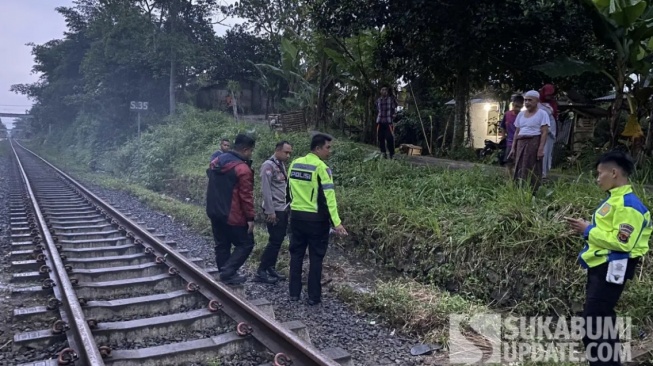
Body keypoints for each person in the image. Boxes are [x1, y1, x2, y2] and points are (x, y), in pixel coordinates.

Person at [565, 151, 650, 366]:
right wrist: (588, 228)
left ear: (614, 173)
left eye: (600, 173)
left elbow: (623, 242)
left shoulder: (628, 205)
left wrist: (587, 230)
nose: (597, 178)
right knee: (600, 320)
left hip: (612, 267)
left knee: (594, 323)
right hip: (602, 266)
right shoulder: (614, 199)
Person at [287, 133, 347, 305]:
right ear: (318, 148)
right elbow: (329, 198)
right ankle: (313, 296)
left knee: (296, 255)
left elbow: (288, 190)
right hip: (316, 220)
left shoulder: (294, 164)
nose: (330, 151)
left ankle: (294, 293)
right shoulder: (322, 168)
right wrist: (337, 223)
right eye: (328, 147)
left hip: (296, 217)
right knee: (316, 258)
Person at [205, 134, 256, 285]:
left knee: (222, 244)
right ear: (246, 149)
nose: (251, 154)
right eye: (251, 151)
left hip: (214, 210)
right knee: (246, 243)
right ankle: (228, 272)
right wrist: (250, 218)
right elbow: (246, 196)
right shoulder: (242, 169)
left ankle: (224, 272)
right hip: (232, 214)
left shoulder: (217, 161)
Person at [254, 141, 293, 284]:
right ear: (277, 150)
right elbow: (266, 190)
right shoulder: (268, 166)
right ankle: (261, 271)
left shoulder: (280, 164)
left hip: (282, 208)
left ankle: (270, 267)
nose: (288, 155)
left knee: (278, 240)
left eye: (289, 153)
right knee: (275, 241)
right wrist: (270, 211)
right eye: (286, 152)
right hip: (274, 210)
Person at [507, 90, 550, 194]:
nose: (527, 103)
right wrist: (513, 148)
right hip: (520, 143)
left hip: (534, 142)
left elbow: (544, 132)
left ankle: (533, 191)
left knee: (532, 167)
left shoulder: (542, 114)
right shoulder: (521, 115)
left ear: (537, 101)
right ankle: (519, 190)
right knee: (519, 166)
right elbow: (517, 132)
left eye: (530, 100)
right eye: (525, 100)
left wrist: (540, 149)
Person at [499, 95, 524, 176]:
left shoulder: (523, 115)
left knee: (518, 163)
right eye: (516, 106)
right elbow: (502, 126)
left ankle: (517, 179)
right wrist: (503, 136)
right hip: (509, 142)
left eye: (519, 107)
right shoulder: (507, 114)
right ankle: (508, 181)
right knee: (508, 163)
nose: (517, 109)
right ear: (513, 104)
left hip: (520, 142)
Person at [539, 84, 558, 181]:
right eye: (547, 94)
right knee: (540, 152)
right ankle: (538, 173)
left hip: (550, 133)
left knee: (547, 153)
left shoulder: (552, 104)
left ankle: (545, 173)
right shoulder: (538, 104)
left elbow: (554, 117)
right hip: (540, 132)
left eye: (551, 94)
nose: (549, 96)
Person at [375, 85, 398, 159]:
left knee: (389, 138)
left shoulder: (391, 99)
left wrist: (394, 114)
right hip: (380, 122)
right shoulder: (378, 100)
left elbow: (395, 107)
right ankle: (383, 153)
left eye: (385, 90)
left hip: (388, 122)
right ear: (380, 92)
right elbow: (377, 109)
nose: (384, 91)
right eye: (382, 90)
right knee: (380, 138)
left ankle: (392, 154)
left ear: (387, 92)